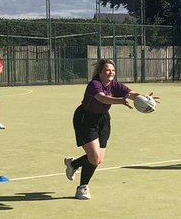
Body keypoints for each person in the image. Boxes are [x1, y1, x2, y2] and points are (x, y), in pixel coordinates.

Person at [63, 58, 156, 200]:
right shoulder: (95, 84)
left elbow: (131, 94)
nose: (110, 73)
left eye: (113, 70)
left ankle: (73, 164)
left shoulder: (115, 85)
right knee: (94, 158)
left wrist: (143, 98)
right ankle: (82, 188)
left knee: (98, 159)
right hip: (85, 120)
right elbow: (101, 98)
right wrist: (119, 101)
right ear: (100, 72)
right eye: (107, 70)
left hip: (103, 120)